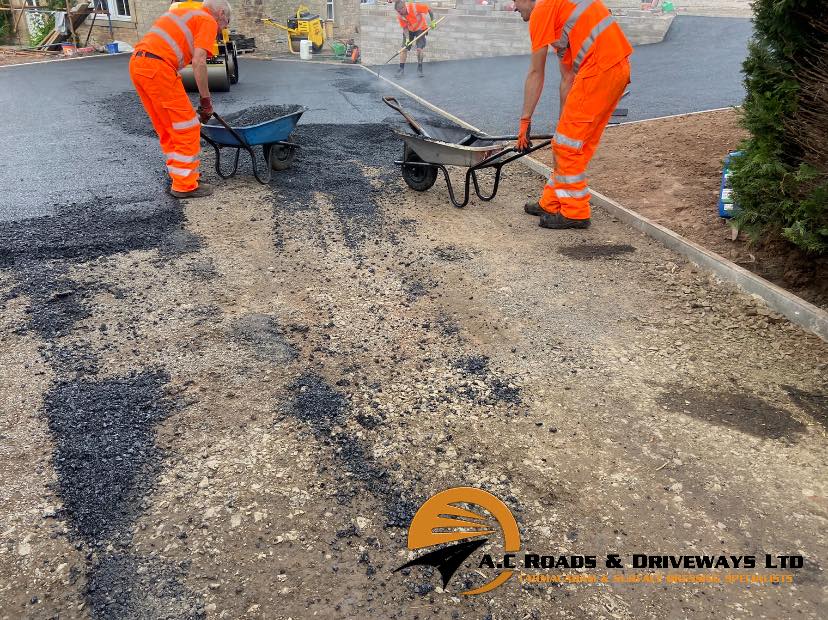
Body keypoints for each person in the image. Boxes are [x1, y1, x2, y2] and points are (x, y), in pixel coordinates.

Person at [513, 0, 631, 229]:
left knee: (567, 147)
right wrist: (563, 125)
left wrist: (525, 120)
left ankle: (575, 213)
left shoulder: (542, 11)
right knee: (570, 143)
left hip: (599, 70)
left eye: (514, 1)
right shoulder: (560, 13)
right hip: (614, 68)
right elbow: (567, 78)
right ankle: (552, 202)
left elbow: (536, 73)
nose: (514, 7)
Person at [129, 0, 232, 199]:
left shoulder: (185, 13)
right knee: (188, 127)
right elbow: (199, 61)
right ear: (220, 13)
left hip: (138, 65)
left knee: (168, 127)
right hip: (158, 68)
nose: (223, 28)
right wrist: (206, 101)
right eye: (225, 22)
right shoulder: (207, 20)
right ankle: (185, 185)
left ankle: (180, 176)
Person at [394, 0, 437, 77]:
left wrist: (433, 21)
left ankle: (419, 68)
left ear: (404, 7)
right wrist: (407, 39)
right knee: (404, 49)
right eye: (398, 12)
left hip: (420, 29)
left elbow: (429, 9)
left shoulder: (414, 7)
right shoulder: (400, 15)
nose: (399, 14)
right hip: (409, 30)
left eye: (400, 11)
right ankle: (401, 69)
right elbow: (405, 28)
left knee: (419, 49)